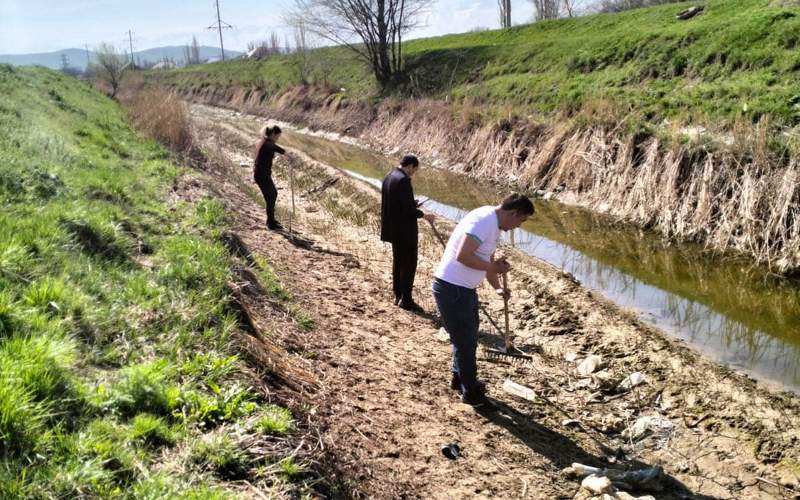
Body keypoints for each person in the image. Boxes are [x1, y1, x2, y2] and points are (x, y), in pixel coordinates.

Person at [432, 193, 534, 408]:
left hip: (463, 289)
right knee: (466, 342)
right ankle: (471, 393)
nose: (518, 226)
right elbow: (463, 255)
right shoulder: (484, 222)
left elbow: (485, 259)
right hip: (452, 288)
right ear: (513, 213)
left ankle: (459, 379)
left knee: (467, 338)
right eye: (521, 220)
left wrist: (497, 287)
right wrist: (493, 267)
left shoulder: (493, 222)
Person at [380, 155, 435, 312]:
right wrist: (425, 216)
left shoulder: (389, 176)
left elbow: (397, 203)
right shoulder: (404, 180)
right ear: (410, 166)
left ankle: (398, 295)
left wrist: (413, 203)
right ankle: (407, 300)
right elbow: (408, 211)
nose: (413, 173)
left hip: (393, 230)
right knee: (409, 265)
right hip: (405, 232)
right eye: (414, 170)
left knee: (398, 263)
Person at [253, 125, 286, 230]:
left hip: (263, 174)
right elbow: (276, 148)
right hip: (261, 175)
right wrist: (288, 155)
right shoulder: (266, 143)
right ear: (272, 134)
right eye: (277, 137)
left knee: (272, 195)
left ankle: (271, 220)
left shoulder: (264, 142)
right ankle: (270, 223)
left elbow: (272, 149)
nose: (277, 139)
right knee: (271, 196)